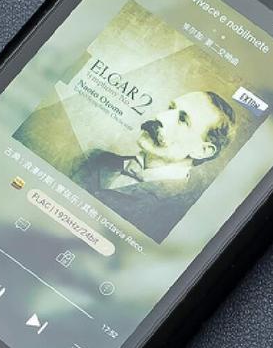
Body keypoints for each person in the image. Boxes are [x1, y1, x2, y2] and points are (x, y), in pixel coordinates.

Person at [73, 91, 236, 242]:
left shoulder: (176, 217)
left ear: (202, 151)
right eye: (170, 108)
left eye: (182, 120)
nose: (160, 116)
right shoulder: (94, 158)